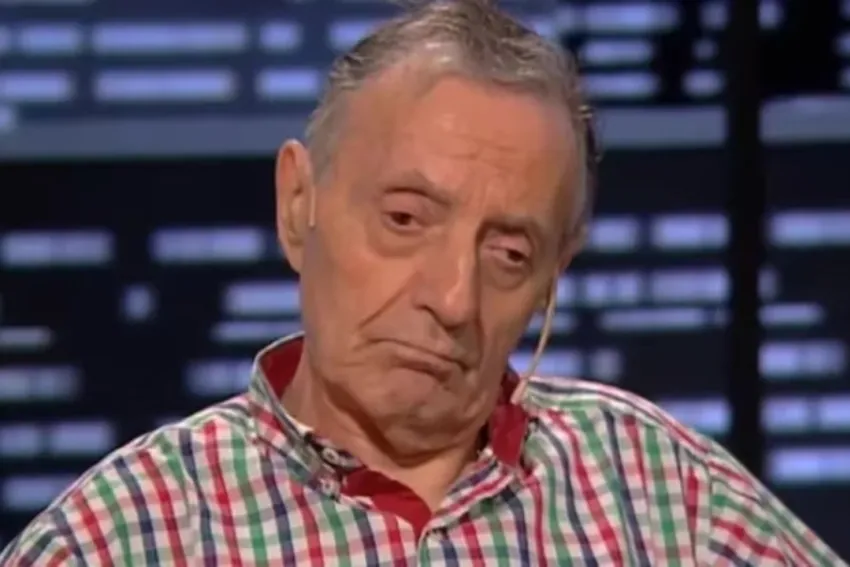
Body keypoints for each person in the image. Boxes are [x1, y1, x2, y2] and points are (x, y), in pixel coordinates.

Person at [1, 1, 845, 565]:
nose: (452, 299)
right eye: (405, 218)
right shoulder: (124, 536)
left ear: (553, 275)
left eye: (508, 253)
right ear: (298, 205)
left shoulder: (662, 491)